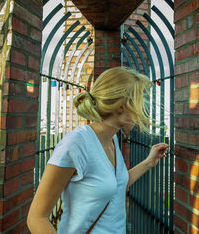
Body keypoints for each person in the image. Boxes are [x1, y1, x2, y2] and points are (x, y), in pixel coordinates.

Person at [27, 67, 169, 234]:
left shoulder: (112, 139)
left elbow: (113, 184)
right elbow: (37, 218)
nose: (142, 108)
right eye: (139, 100)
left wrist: (148, 163)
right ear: (121, 107)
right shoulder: (76, 144)